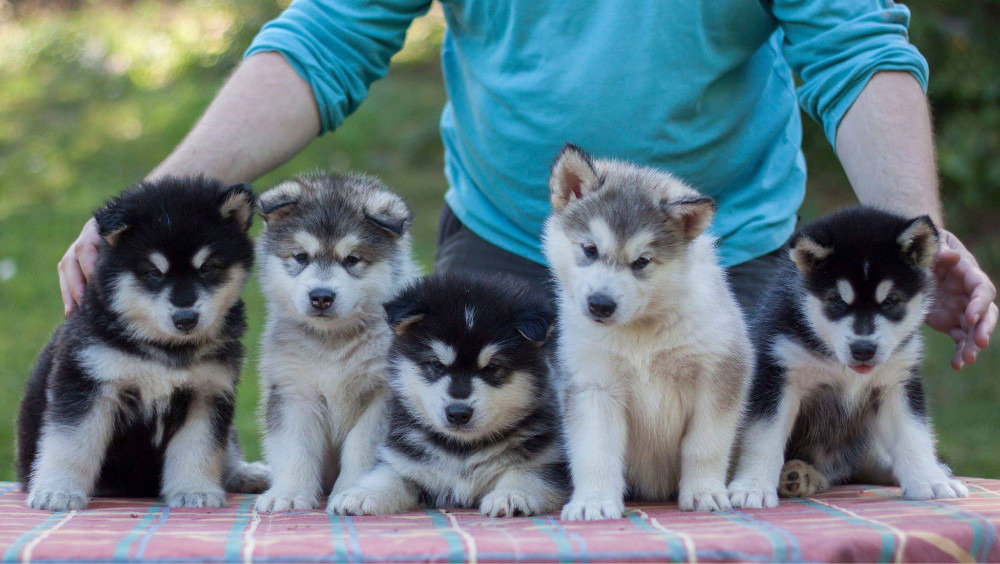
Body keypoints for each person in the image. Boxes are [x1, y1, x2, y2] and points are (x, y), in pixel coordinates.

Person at [58, 0, 995, 369]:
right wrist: (151, 206)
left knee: (711, 491)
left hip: (716, 257)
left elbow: (854, 53)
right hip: (509, 243)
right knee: (482, 481)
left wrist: (920, 238)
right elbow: (326, 38)